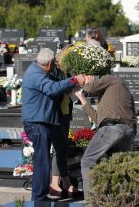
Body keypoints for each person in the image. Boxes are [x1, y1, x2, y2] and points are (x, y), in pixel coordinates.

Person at [22, 48, 81, 201]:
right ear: (48, 64)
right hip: (37, 123)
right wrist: (74, 80)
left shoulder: (38, 71)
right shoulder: (36, 74)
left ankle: (42, 194)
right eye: (53, 64)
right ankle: (39, 196)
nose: (54, 66)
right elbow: (52, 88)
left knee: (54, 152)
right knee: (42, 161)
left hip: (45, 121)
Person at [74, 74, 136, 200]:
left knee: (87, 161)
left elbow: (91, 88)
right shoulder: (111, 96)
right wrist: (81, 98)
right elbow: (98, 119)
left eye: (87, 76)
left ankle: (91, 202)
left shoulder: (112, 79)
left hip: (113, 129)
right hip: (126, 130)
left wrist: (85, 81)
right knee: (119, 167)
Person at [49, 50, 82, 198]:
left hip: (65, 111)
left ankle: (61, 184)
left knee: (62, 148)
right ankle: (58, 184)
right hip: (58, 113)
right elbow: (56, 89)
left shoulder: (65, 72)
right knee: (59, 149)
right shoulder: (55, 72)